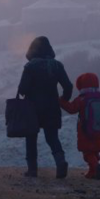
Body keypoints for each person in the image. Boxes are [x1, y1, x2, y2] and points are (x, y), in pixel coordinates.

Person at [18, 36, 73, 179]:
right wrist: (63, 99)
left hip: (32, 108)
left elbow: (23, 89)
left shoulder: (30, 67)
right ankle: (60, 162)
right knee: (52, 137)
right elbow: (68, 86)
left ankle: (32, 170)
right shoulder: (57, 65)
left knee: (31, 138)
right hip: (51, 107)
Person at [60, 73, 100, 180]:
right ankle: (92, 172)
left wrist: (61, 101)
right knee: (94, 151)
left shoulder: (82, 99)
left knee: (87, 153)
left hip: (85, 132)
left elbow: (71, 109)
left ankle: (96, 167)